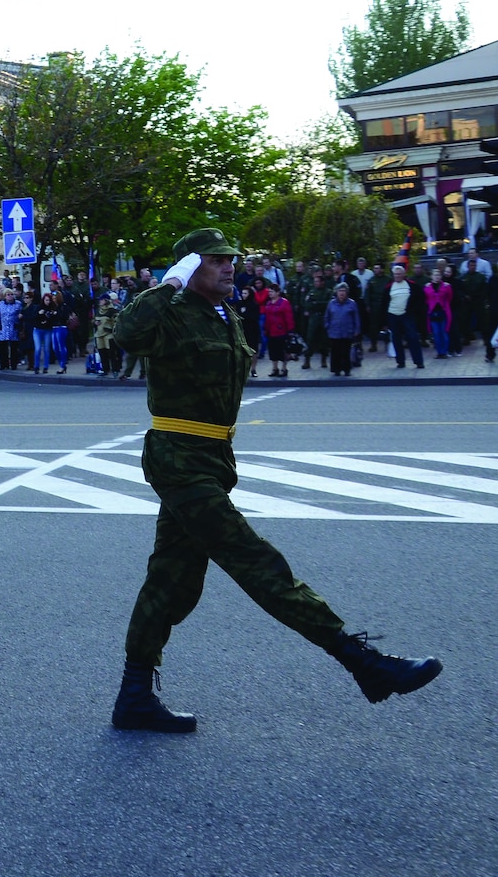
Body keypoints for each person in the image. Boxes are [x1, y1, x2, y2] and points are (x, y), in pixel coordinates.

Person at [108, 229, 441, 732]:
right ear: (191, 265)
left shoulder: (226, 313)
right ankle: (364, 663)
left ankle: (133, 697)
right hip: (179, 459)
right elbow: (126, 335)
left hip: (211, 458)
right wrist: (168, 285)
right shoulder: (170, 311)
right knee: (255, 560)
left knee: (171, 579)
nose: (229, 265)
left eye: (230, 258)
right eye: (216, 259)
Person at [383, 264, 426, 369]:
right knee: (396, 339)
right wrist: (384, 322)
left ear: (404, 274)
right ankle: (400, 362)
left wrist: (413, 311)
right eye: (395, 274)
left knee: (413, 338)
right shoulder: (389, 287)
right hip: (393, 315)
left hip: (407, 316)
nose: (397, 276)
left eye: (399, 274)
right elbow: (384, 303)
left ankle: (418, 361)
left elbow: (420, 299)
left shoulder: (411, 285)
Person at [324, 282, 362, 377]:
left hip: (347, 332)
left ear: (347, 292)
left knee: (346, 351)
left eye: (344, 291)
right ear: (336, 292)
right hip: (334, 332)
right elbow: (326, 317)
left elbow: (356, 318)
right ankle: (336, 369)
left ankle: (346, 369)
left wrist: (357, 330)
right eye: (340, 291)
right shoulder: (331, 303)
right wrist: (328, 327)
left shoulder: (352, 303)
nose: (342, 293)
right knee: (335, 351)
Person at [260, 283, 295, 378]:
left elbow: (289, 317)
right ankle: (275, 368)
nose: (270, 293)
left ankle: (284, 368)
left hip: (282, 331)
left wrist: (290, 330)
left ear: (278, 292)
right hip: (271, 331)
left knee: (283, 350)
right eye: (269, 292)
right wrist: (265, 328)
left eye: (272, 292)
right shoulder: (268, 303)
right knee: (272, 351)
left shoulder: (284, 302)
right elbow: (267, 318)